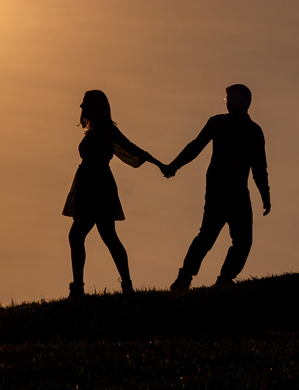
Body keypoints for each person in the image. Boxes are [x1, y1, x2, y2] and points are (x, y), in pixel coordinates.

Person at [63, 89, 169, 298]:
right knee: (99, 237)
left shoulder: (106, 130)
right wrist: (159, 164)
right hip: (91, 184)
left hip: (97, 186)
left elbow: (133, 149)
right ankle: (115, 286)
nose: (82, 108)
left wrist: (159, 164)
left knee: (87, 236)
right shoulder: (98, 130)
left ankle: (82, 288)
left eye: (85, 104)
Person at [165, 83, 271, 291]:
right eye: (227, 99)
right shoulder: (218, 123)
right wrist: (174, 165)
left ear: (246, 102)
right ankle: (185, 277)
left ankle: (223, 279)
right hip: (218, 192)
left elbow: (259, 167)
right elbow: (195, 146)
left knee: (241, 241)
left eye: (231, 99)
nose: (228, 103)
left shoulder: (254, 132)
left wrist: (265, 194)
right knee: (207, 236)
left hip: (238, 193)